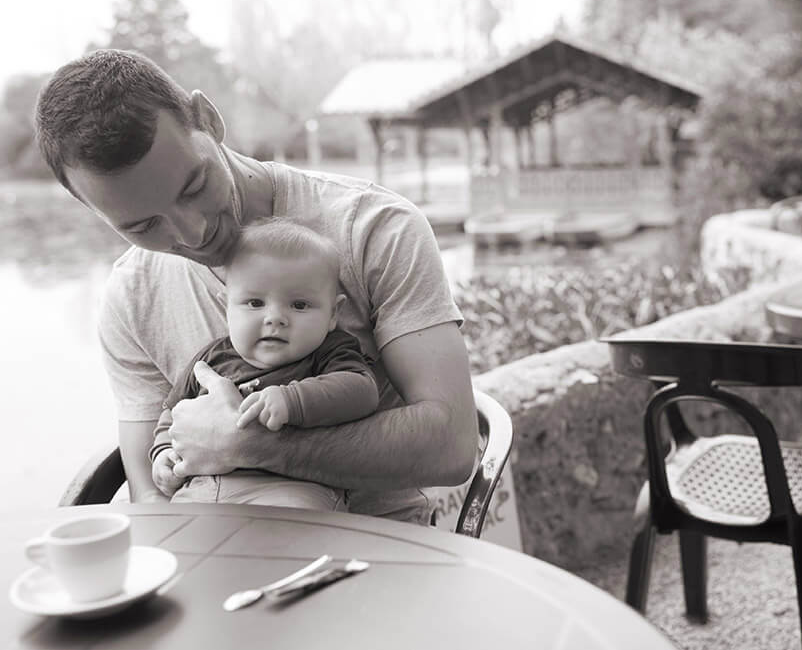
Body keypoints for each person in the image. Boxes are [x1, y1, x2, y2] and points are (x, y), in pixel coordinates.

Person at [34, 49, 478, 524]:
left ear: (208, 119)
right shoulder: (131, 297)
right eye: (142, 226)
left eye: (193, 187)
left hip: (378, 557)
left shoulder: (374, 230)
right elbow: (149, 493)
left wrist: (253, 444)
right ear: (95, 212)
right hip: (214, 559)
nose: (192, 233)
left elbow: (451, 447)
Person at [151, 217, 379, 509]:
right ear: (227, 306)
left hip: (294, 486)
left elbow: (362, 390)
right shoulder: (210, 360)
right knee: (178, 533)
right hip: (206, 486)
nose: (275, 318)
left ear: (333, 314)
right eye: (255, 303)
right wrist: (164, 453)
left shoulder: (328, 352)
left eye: (299, 305)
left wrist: (291, 398)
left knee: (296, 527)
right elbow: (174, 412)